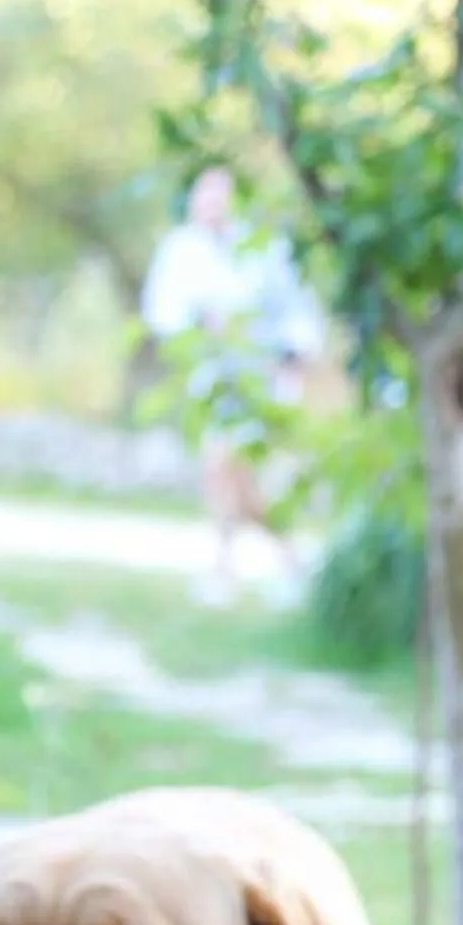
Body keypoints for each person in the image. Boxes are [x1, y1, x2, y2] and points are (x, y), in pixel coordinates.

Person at [141, 167, 322, 604]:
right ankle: (269, 564)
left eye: (218, 200)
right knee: (221, 469)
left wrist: (291, 360)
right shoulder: (180, 249)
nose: (210, 209)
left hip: (263, 378)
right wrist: (201, 323)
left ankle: (266, 564)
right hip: (213, 377)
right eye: (204, 200)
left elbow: (297, 310)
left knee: (242, 472)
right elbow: (162, 312)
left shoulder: (265, 248)